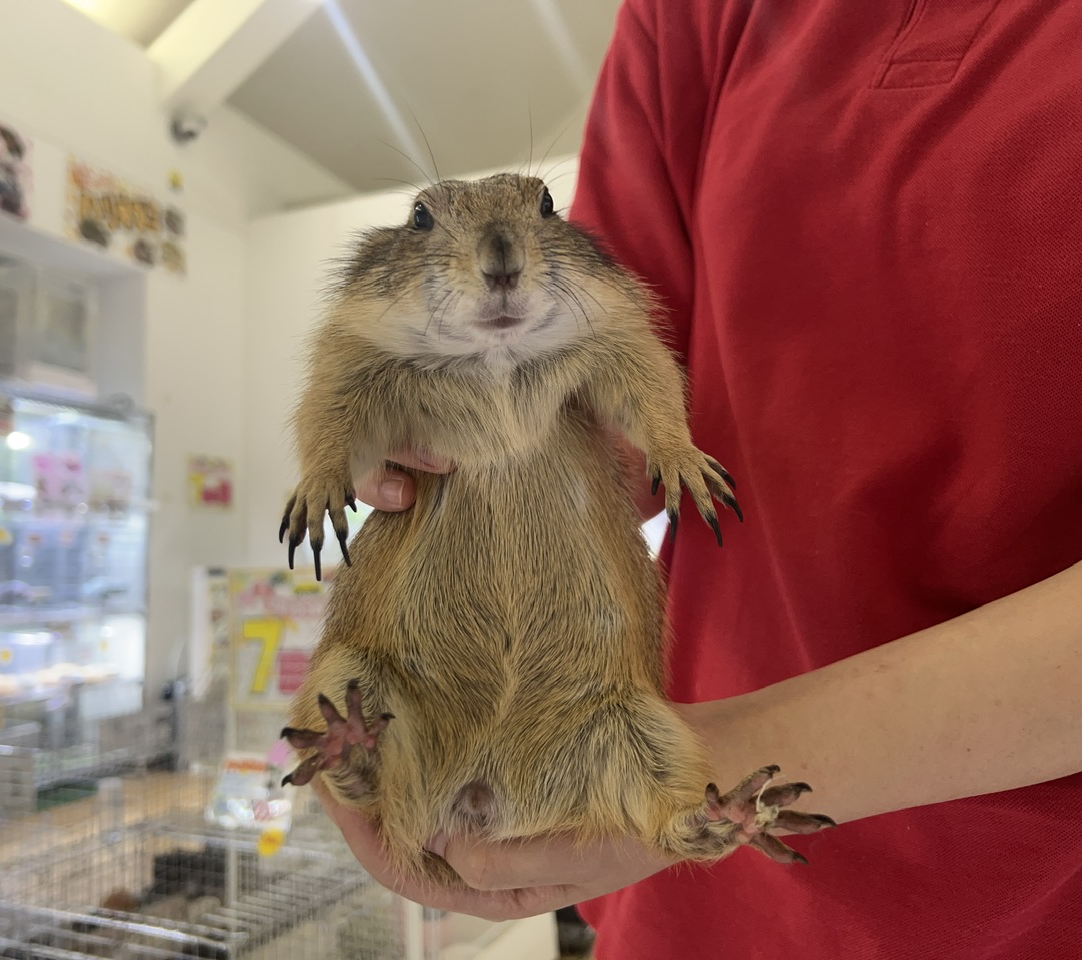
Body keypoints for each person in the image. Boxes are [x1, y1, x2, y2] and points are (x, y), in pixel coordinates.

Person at [316, 1, 1082, 956]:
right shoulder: (696, 15)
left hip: (1020, 899)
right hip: (683, 905)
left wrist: (704, 769)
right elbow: (628, 383)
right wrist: (415, 434)